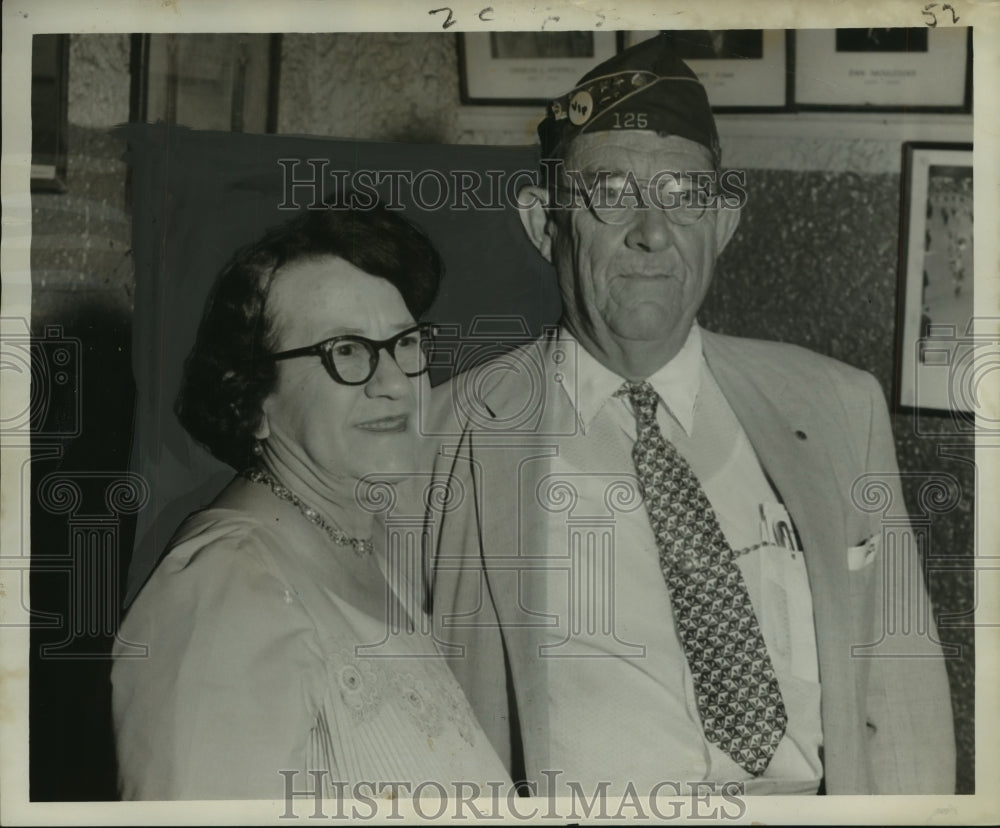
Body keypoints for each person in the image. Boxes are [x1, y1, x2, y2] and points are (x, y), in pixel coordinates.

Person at [427, 34, 955, 796]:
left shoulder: (839, 407)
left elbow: (903, 704)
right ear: (545, 222)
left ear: (725, 222)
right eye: (610, 193)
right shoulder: (448, 438)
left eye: (683, 195)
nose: (652, 231)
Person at [111, 203, 511, 800]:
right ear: (252, 402)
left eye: (404, 342)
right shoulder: (226, 591)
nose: (395, 381)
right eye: (345, 351)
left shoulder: (366, 550)